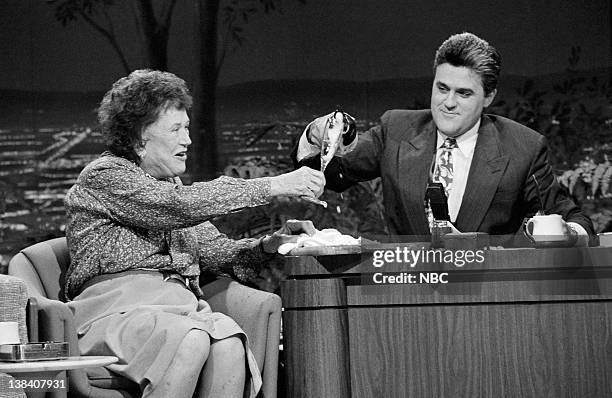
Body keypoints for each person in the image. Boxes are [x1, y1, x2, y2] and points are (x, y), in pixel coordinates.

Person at [64, 69, 325, 398]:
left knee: (228, 343)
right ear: (136, 139)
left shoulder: (172, 186)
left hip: (180, 311)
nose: (187, 139)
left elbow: (220, 254)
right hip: (116, 313)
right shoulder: (105, 177)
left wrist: (272, 245)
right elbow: (175, 206)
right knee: (192, 338)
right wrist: (274, 185)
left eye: (186, 128)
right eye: (175, 129)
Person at [295, 32, 594, 246]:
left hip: (488, 298)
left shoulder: (523, 148)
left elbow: (576, 221)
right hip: (402, 295)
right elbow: (327, 175)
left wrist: (565, 233)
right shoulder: (396, 130)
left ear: (489, 97)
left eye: (463, 93)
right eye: (442, 88)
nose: (448, 103)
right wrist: (314, 135)